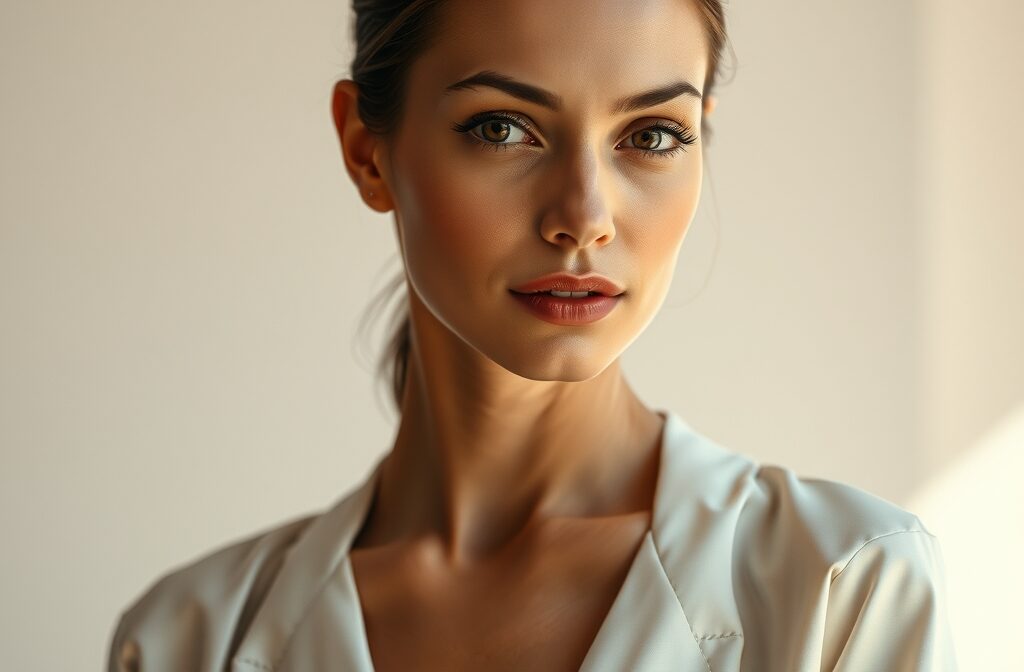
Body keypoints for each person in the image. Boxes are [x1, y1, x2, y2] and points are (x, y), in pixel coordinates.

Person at [106, 1, 958, 670]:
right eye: (502, 128)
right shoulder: (188, 641)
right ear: (368, 149)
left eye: (652, 136)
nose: (583, 218)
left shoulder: (844, 591)